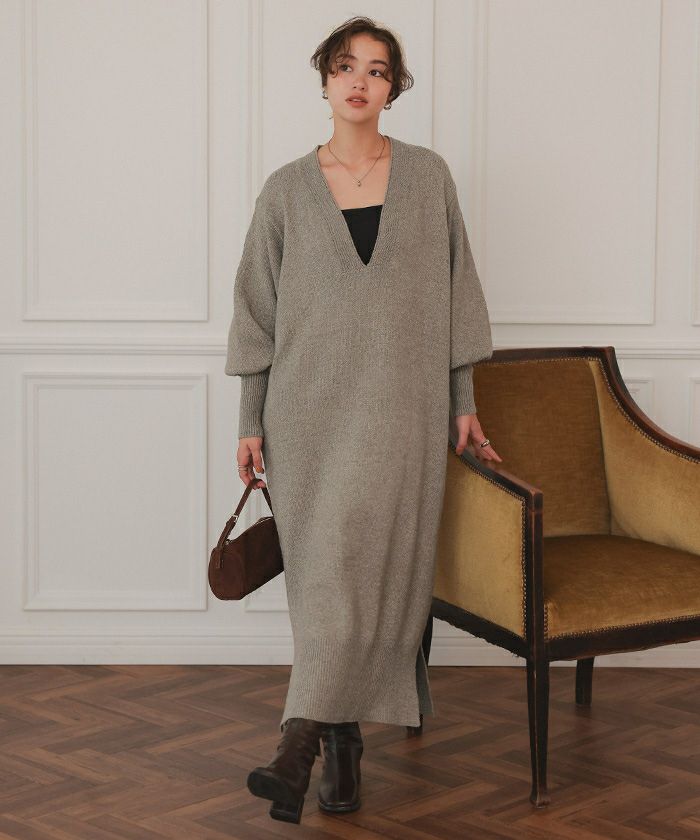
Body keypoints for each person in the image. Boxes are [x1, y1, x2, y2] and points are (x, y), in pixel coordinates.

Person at [225, 15, 502, 825]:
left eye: (377, 70)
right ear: (324, 79)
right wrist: (249, 419)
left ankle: (305, 745)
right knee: (325, 585)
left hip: (403, 415)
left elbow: (457, 297)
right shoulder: (285, 190)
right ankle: (329, 747)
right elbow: (255, 314)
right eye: (346, 66)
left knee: (372, 577)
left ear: (393, 88)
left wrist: (463, 403)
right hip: (305, 417)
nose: (359, 81)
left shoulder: (428, 177)